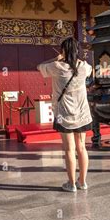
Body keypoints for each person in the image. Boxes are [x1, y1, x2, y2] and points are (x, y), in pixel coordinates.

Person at [37, 37, 92, 192]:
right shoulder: (83, 66)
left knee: (69, 149)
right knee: (81, 147)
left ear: (63, 51)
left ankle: (71, 184)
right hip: (82, 113)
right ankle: (83, 182)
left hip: (64, 114)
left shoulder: (56, 66)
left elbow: (39, 67)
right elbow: (90, 70)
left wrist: (56, 58)